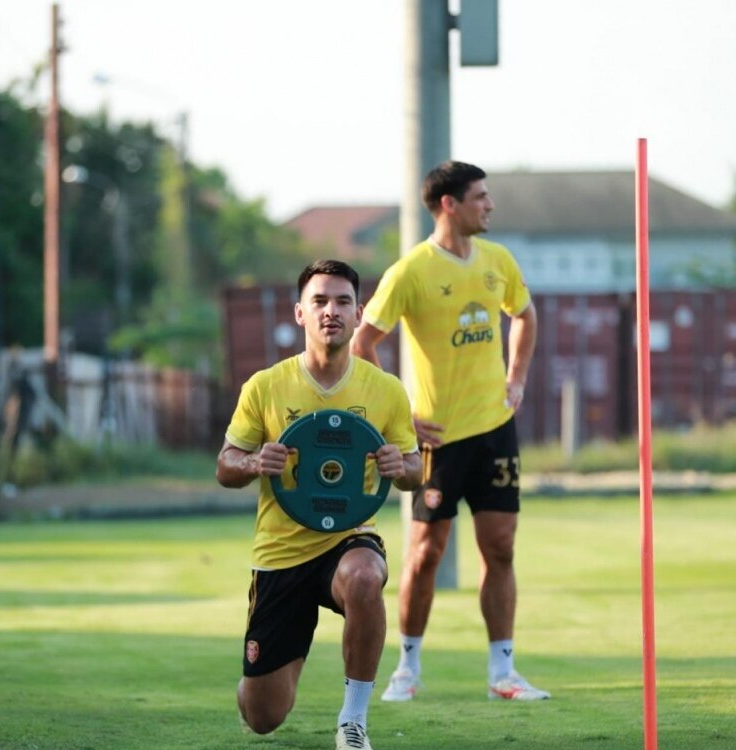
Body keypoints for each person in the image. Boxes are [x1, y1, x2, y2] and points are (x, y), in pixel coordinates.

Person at [351, 160, 546, 702]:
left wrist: (517, 379)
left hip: (495, 430)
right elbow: (362, 343)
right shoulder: (411, 271)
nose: (490, 206)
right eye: (480, 197)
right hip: (437, 439)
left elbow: (526, 315)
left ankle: (502, 672)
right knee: (424, 553)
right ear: (449, 205)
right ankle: (406, 669)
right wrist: (400, 416)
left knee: (500, 549)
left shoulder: (498, 261)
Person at [217, 260, 422, 750]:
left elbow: (417, 471)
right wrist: (253, 463)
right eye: (320, 301)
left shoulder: (386, 390)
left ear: (359, 314)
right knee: (263, 716)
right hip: (281, 554)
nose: (332, 311)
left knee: (365, 576)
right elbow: (225, 465)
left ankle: (353, 721)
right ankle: (259, 675)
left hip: (348, 538)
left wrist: (402, 466)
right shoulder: (265, 386)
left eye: (343, 302)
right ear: (300, 314)